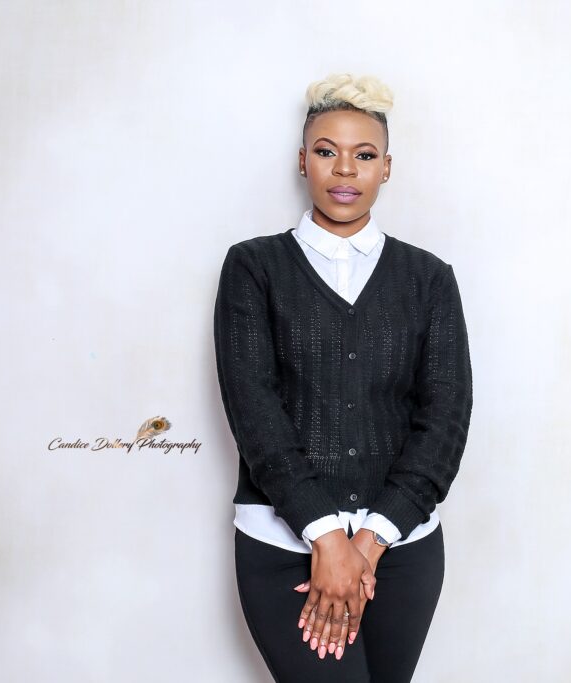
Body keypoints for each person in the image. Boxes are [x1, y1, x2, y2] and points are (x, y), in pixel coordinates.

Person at [213, 72, 474, 683]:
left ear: (387, 168)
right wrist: (327, 538)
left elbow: (445, 419)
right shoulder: (254, 267)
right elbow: (254, 411)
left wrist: (371, 541)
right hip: (285, 547)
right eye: (327, 151)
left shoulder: (429, 278)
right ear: (303, 160)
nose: (346, 170)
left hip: (401, 551)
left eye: (365, 155)